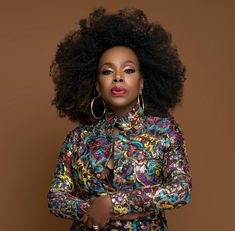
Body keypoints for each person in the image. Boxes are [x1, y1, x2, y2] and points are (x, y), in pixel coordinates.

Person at [47, 7, 192, 231]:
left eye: (129, 70)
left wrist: (113, 204)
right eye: (107, 71)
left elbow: (181, 190)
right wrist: (90, 210)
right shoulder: (77, 139)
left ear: (142, 82)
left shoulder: (164, 131)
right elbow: (56, 198)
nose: (117, 77)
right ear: (96, 85)